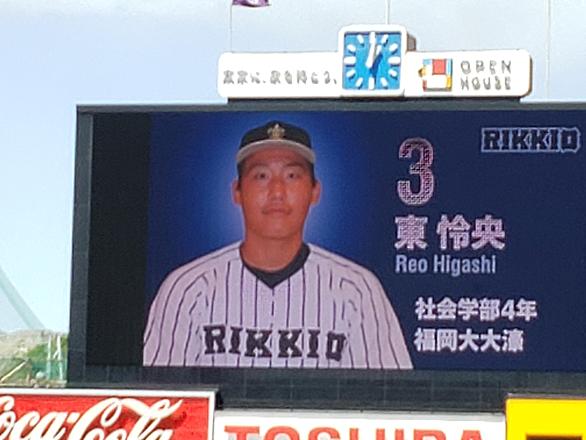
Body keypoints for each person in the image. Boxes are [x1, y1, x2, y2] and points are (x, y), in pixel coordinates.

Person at [143, 120, 412, 369]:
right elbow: (153, 398)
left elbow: (395, 398)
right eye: (261, 176)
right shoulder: (187, 290)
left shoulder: (357, 290)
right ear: (237, 192)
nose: (277, 192)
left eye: (292, 176)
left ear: (315, 191)